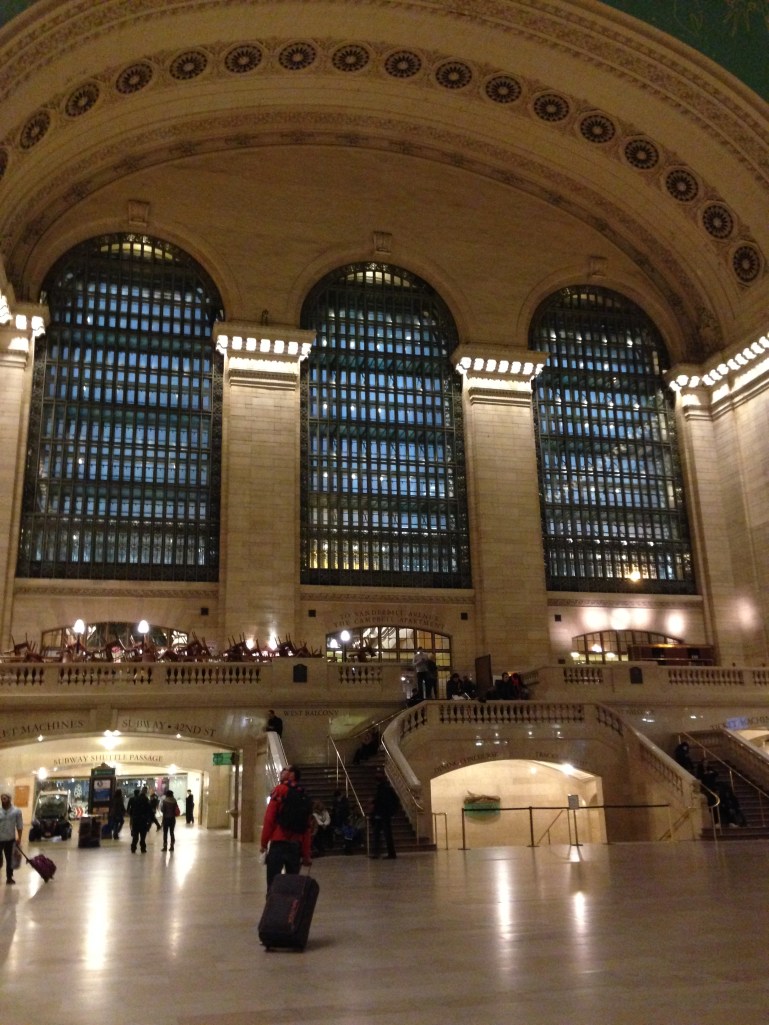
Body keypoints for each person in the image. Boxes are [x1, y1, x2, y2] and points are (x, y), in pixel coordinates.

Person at [260, 765, 312, 890]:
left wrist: (263, 843)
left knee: (273, 883)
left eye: (285, 770)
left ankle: (272, 907)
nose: (281, 772)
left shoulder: (279, 790)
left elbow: (269, 819)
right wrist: (306, 853)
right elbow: (307, 826)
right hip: (295, 845)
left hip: (278, 843)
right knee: (292, 884)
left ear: (292, 775)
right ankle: (290, 908)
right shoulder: (303, 795)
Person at [369, 768, 398, 860]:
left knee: (383, 834)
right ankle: (381, 853)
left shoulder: (383, 789)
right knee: (382, 834)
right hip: (383, 814)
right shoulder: (384, 788)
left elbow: (382, 801)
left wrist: (373, 803)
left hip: (382, 815)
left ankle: (382, 853)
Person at [0, 792, 23, 885]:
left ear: (9, 799)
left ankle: (9, 878)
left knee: (10, 859)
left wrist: (19, 838)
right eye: (1, 798)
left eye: (4, 798)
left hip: (10, 839)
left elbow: (19, 825)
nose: (2, 800)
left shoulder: (16, 811)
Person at [129, 785, 153, 853]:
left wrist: (132, 818)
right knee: (143, 836)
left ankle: (133, 848)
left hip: (136, 819)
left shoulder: (135, 799)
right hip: (143, 820)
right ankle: (143, 848)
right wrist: (149, 821)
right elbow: (149, 811)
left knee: (135, 836)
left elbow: (132, 810)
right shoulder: (146, 800)